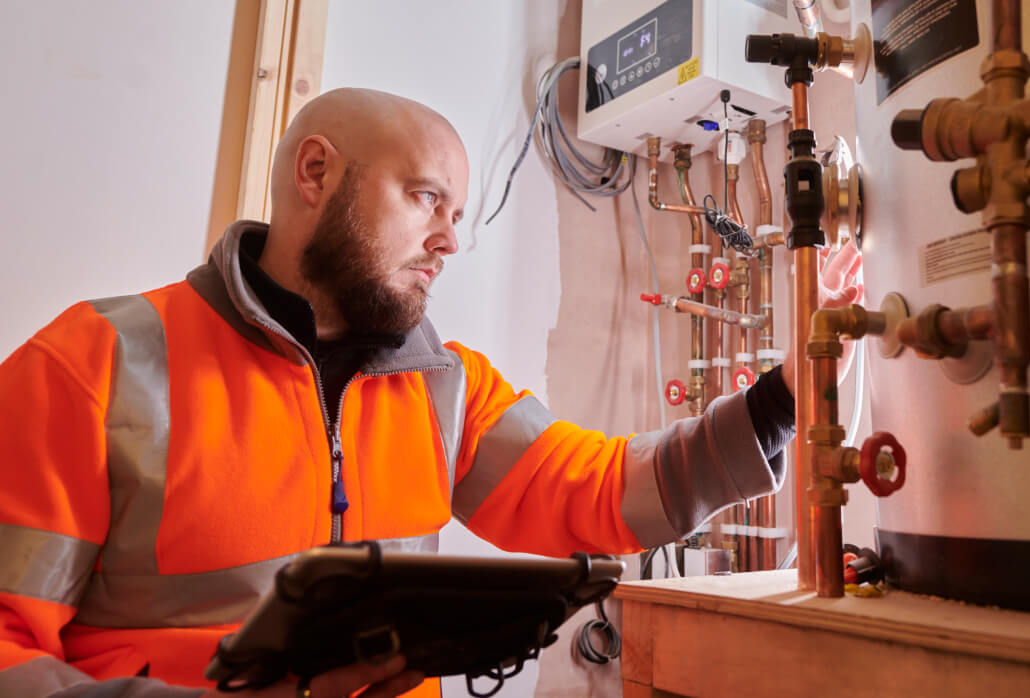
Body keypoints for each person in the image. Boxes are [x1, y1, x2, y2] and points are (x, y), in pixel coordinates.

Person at [0, 88, 862, 698]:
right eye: (426, 198)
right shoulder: (93, 364)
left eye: (458, 214)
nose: (450, 240)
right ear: (315, 173)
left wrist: (783, 394)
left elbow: (608, 490)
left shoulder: (445, 385)